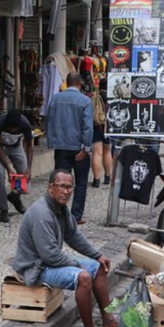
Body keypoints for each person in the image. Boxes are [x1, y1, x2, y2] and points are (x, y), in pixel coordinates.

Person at [12, 170, 118, 327]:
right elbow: (50, 255)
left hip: (48, 262)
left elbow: (74, 236)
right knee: (83, 277)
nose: (66, 191)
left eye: (70, 187)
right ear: (50, 188)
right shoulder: (42, 214)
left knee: (98, 266)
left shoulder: (61, 208)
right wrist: (78, 265)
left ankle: (108, 320)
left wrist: (97, 255)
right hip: (35, 268)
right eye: (62, 186)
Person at [46, 73, 94, 224]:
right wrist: (86, 148)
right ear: (79, 83)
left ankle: (57, 212)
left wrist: (51, 142)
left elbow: (49, 121)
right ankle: (75, 215)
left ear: (67, 83)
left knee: (59, 181)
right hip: (78, 146)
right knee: (80, 182)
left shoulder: (55, 99)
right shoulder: (85, 101)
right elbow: (87, 127)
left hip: (60, 146)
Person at [0, 109, 34, 223]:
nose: (13, 130)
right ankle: (3, 209)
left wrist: (29, 167)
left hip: (15, 147)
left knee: (25, 175)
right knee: (0, 173)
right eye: (11, 128)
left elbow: (29, 145)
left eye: (15, 129)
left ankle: (15, 197)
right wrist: (8, 168)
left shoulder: (25, 124)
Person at [90, 89, 113, 188]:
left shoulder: (96, 95)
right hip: (109, 127)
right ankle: (107, 177)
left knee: (97, 153)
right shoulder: (112, 96)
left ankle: (96, 180)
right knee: (107, 151)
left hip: (97, 125)